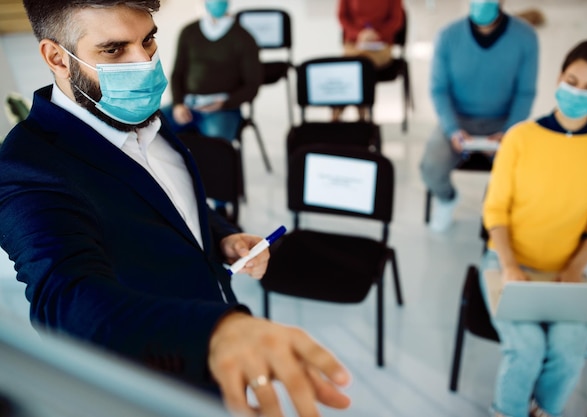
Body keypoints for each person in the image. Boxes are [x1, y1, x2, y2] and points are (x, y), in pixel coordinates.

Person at [0, 2, 351, 417]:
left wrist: (222, 237)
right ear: (57, 57)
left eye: (148, 40)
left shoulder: (146, 116)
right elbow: (66, 301)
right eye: (113, 50)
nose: (145, 64)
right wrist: (219, 332)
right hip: (153, 378)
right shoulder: (27, 169)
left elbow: (169, 199)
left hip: (216, 357)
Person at [481, 39, 587, 417]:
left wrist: (575, 268)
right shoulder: (521, 137)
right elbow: (495, 209)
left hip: (567, 272)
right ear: (559, 78)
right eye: (572, 80)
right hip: (506, 262)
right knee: (526, 349)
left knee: (570, 351)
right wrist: (510, 265)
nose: (578, 92)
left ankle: (543, 410)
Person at [420, 0, 539, 232]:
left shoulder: (526, 37)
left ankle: (500, 217)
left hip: (504, 121)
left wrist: (508, 132)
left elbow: (525, 93)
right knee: (431, 167)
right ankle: (447, 199)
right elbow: (438, 90)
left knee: (522, 175)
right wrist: (452, 129)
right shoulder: (448, 35)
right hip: (458, 119)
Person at [162, 0, 262, 141]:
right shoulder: (189, 32)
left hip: (224, 109)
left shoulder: (244, 38)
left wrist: (224, 104)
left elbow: (252, 85)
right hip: (188, 105)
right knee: (153, 126)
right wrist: (178, 104)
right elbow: (177, 74)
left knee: (216, 144)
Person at [334, 0, 403, 121]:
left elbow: (396, 20)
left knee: (360, 65)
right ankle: (360, 111)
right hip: (354, 44)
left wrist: (377, 35)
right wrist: (359, 34)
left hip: (381, 44)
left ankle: (350, 111)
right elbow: (342, 16)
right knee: (354, 64)